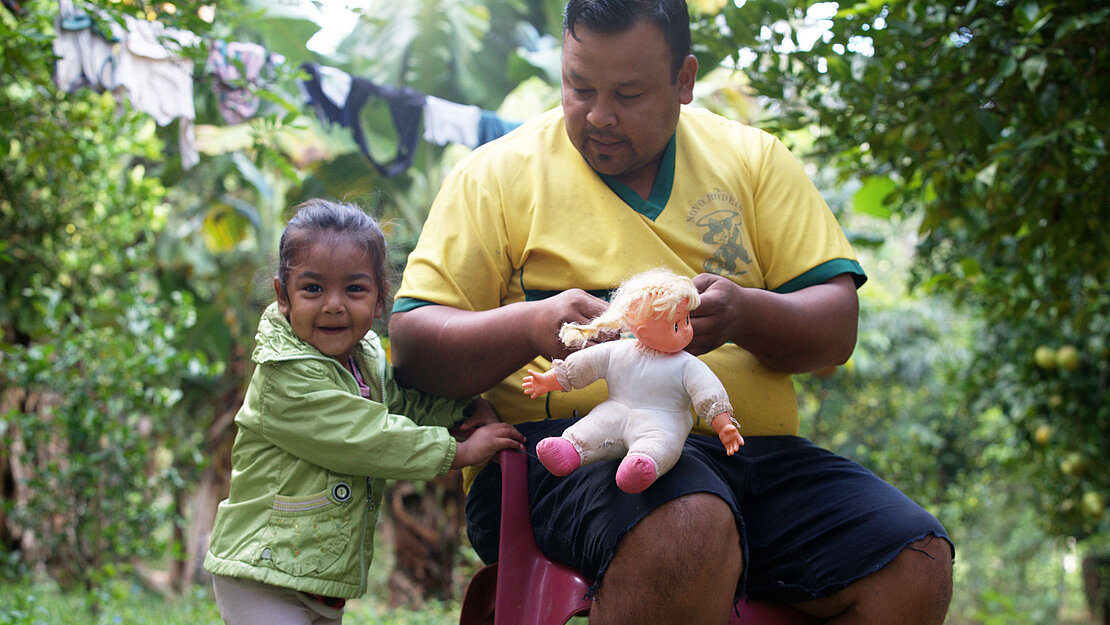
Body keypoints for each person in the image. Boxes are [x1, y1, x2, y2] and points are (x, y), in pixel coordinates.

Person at [389, 0, 954, 623]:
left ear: (684, 81)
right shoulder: (494, 176)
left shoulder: (754, 161)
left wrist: (745, 314)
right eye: (579, 87)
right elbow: (414, 347)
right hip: (567, 456)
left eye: (628, 94)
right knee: (688, 522)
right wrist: (529, 324)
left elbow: (835, 329)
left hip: (748, 454)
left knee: (912, 562)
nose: (599, 116)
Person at [204, 199, 525, 625]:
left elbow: (401, 405)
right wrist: (457, 451)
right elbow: (367, 436)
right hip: (262, 572)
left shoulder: (364, 358)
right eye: (313, 289)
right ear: (284, 296)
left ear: (379, 301)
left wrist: (460, 410)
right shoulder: (285, 377)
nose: (334, 305)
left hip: (316, 575)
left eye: (354, 289)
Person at [523, 268, 743, 494]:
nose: (688, 330)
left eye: (687, 320)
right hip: (616, 408)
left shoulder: (687, 365)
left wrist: (723, 423)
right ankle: (570, 448)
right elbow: (584, 365)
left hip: (664, 419)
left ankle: (642, 464)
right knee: (594, 425)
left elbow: (707, 391)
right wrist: (549, 380)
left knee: (660, 442)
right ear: (643, 331)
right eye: (678, 325)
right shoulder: (618, 351)